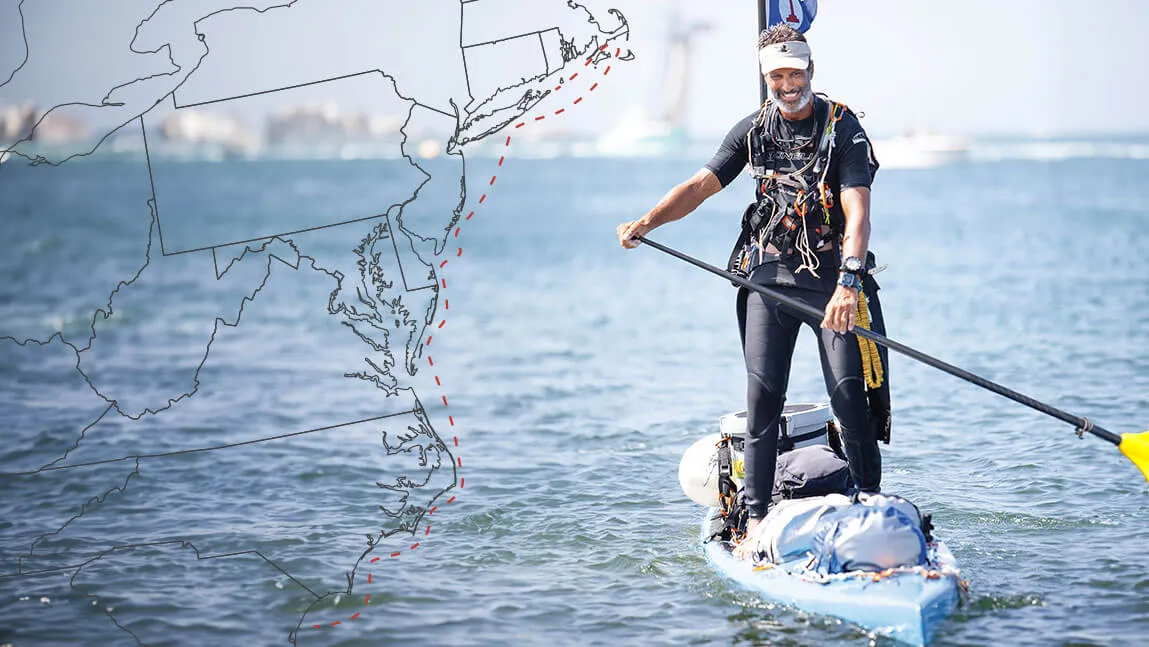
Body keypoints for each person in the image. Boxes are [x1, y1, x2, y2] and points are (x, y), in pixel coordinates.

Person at [616, 24, 885, 559]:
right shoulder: (753, 129)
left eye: (795, 72)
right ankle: (758, 519)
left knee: (851, 399)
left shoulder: (844, 128)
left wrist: (850, 284)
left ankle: (868, 507)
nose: (787, 84)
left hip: (834, 287)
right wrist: (647, 222)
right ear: (766, 78)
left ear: (811, 70)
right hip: (766, 281)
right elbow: (700, 185)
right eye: (777, 75)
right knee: (762, 401)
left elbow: (857, 209)